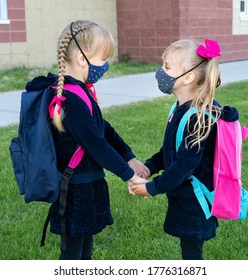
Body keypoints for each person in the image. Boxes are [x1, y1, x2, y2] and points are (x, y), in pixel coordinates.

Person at [26, 19, 148, 260]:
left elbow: (104, 129)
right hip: (75, 189)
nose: (105, 65)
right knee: (72, 254)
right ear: (83, 59)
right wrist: (129, 175)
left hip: (86, 184)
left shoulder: (82, 90)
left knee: (85, 250)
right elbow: (96, 145)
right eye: (103, 59)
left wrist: (129, 157)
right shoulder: (71, 99)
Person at [129, 39, 240, 260]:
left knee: (191, 254)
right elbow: (170, 150)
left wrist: (152, 188)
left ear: (188, 77)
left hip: (196, 201)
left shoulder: (198, 118)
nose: (161, 72)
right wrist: (150, 167)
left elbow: (184, 165)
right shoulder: (179, 108)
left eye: (167, 67)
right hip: (184, 196)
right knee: (189, 249)